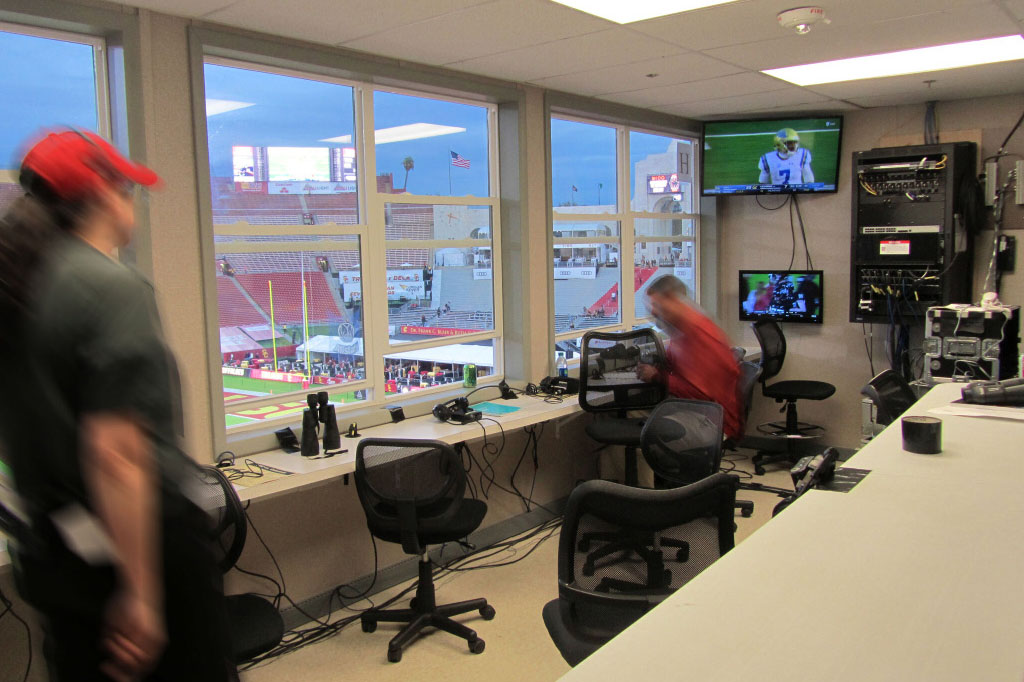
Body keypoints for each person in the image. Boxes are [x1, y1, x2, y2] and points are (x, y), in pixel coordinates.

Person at [0, 129, 235, 681]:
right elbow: (118, 454)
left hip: (54, 550)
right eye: (128, 190)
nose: (133, 203)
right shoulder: (110, 287)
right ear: (103, 194)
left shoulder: (17, 285)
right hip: (136, 542)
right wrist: (142, 594)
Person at [636, 275, 741, 441]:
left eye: (656, 305)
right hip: (693, 409)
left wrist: (657, 376)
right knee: (629, 415)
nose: (654, 312)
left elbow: (701, 394)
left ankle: (651, 465)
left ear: (672, 299)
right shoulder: (680, 330)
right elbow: (674, 364)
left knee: (644, 438)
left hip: (711, 420)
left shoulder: (699, 334)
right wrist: (655, 366)